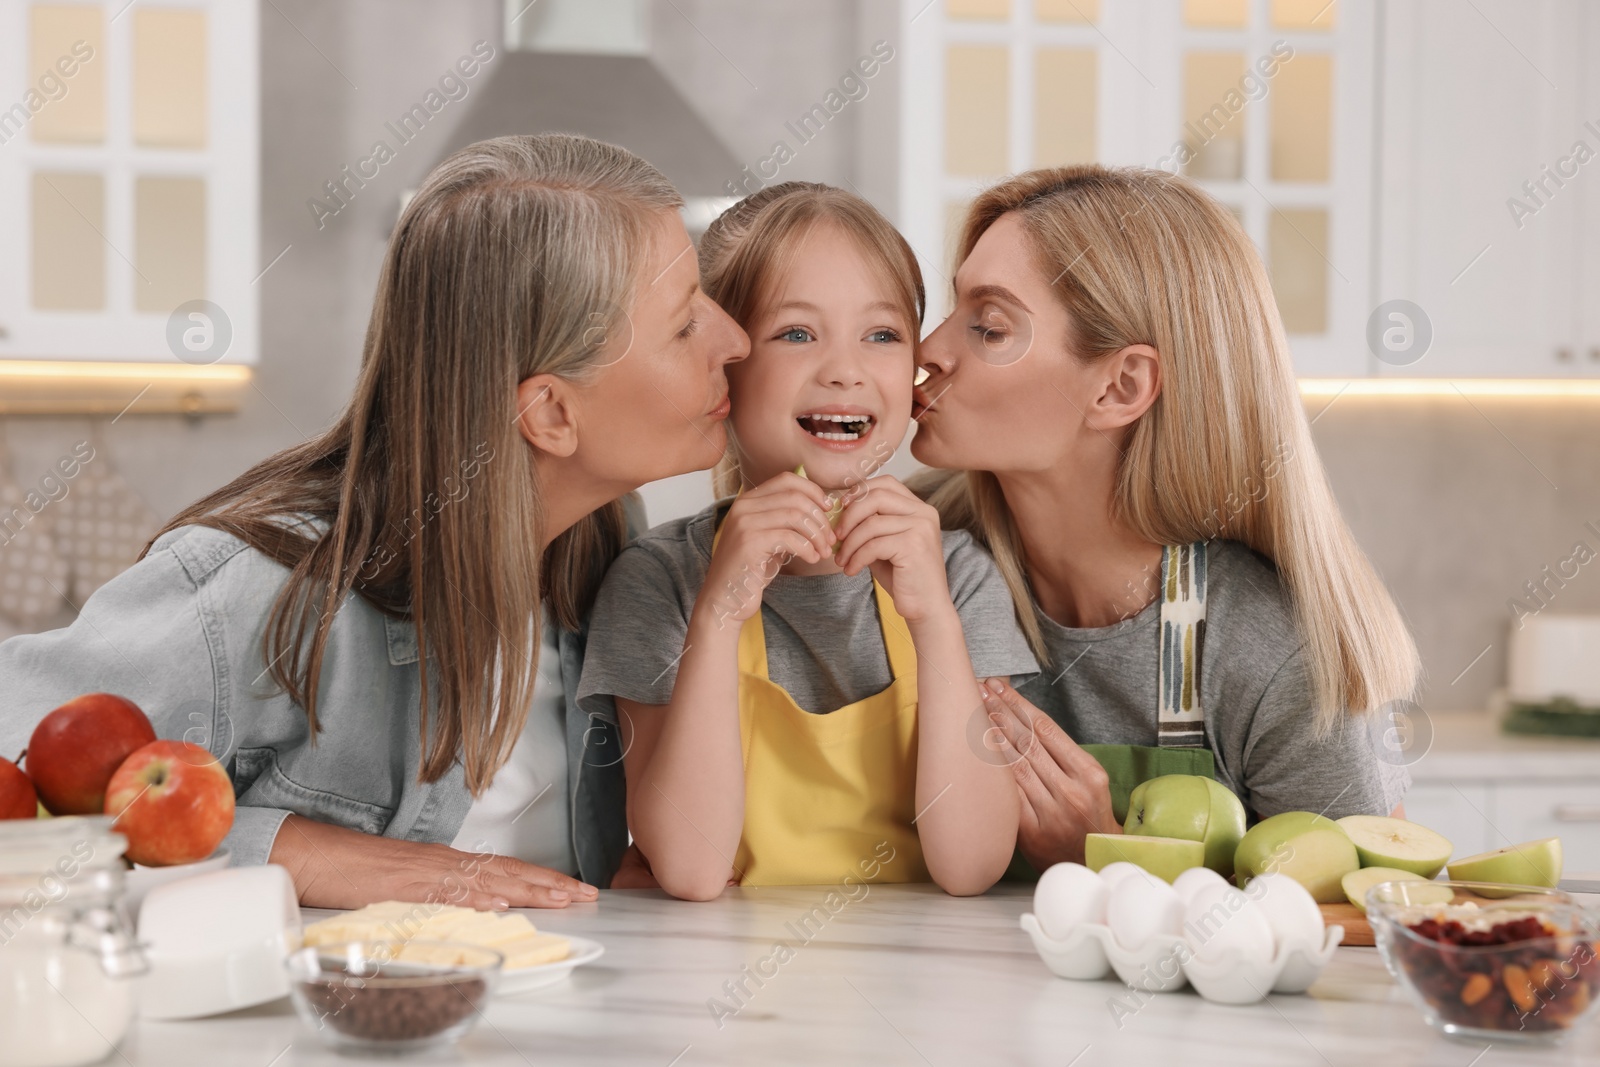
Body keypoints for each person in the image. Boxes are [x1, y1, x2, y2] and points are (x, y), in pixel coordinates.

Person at [0, 134, 748, 908]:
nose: (736, 339)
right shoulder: (263, 596)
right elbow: (18, 798)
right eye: (685, 323)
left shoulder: (602, 547)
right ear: (552, 412)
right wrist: (301, 853)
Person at [909, 165, 1419, 875]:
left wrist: (1113, 851)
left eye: (988, 327)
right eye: (950, 311)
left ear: (1121, 386)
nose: (928, 350)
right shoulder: (916, 556)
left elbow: (1371, 924)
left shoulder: (1268, 653)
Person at [578, 183, 1036, 900]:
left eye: (882, 335)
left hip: (925, 981)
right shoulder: (658, 579)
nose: (845, 369)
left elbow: (972, 863)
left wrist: (935, 624)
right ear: (725, 363)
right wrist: (720, 610)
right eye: (797, 333)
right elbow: (693, 867)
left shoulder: (960, 576)